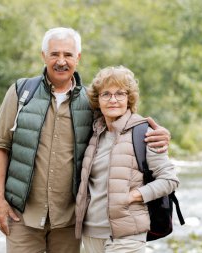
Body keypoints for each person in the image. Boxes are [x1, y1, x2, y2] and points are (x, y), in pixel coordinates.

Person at [0, 27, 171, 253]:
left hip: (69, 220)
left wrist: (158, 133)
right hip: (22, 216)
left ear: (78, 58)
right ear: (43, 56)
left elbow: (122, 121)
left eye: (68, 54)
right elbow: (0, 146)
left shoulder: (90, 101)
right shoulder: (20, 93)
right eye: (54, 54)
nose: (61, 61)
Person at [75, 66, 180, 253]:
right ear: (97, 100)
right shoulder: (94, 134)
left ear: (129, 98)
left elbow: (169, 180)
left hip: (127, 235)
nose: (113, 99)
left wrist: (133, 196)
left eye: (120, 94)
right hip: (91, 233)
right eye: (106, 94)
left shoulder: (144, 133)